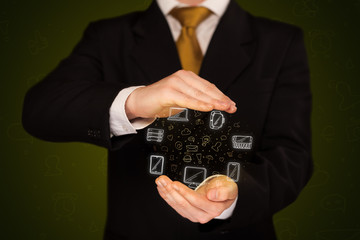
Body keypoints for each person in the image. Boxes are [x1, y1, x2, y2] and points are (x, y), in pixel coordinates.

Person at [22, 0, 313, 239]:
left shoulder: (280, 39)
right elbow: (40, 109)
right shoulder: (108, 35)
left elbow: (292, 153)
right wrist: (134, 101)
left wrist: (232, 197)